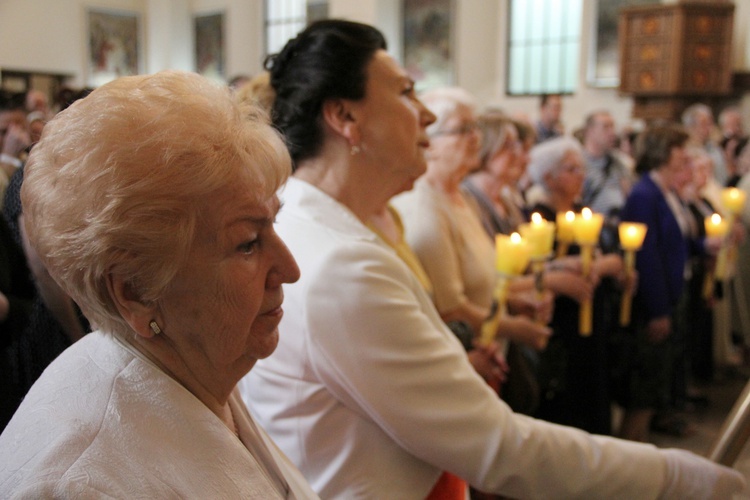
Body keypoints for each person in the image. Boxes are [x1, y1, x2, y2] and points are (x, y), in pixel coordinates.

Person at [240, 19, 744, 499]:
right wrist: (676, 476)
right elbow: (499, 447)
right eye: (404, 92)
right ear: (344, 116)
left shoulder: (326, 227)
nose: (428, 116)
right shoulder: (340, 266)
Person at [0, 70, 317, 498]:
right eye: (247, 244)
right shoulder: (83, 485)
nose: (290, 268)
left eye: (273, 224)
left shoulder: (192, 361)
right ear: (136, 291)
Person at [616, 124, 721, 443]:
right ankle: (630, 456)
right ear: (662, 152)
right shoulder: (644, 194)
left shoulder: (665, 192)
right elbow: (647, 257)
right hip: (654, 303)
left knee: (657, 382)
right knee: (645, 388)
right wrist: (658, 310)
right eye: (679, 149)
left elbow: (673, 245)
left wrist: (703, 247)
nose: (685, 156)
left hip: (674, 293)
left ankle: (640, 450)